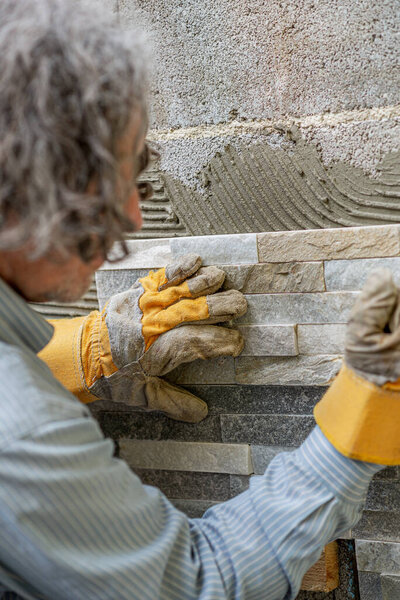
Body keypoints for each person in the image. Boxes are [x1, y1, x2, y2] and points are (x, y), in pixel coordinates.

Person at [0, 1, 399, 599]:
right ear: (22, 186)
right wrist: (351, 431)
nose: (134, 216)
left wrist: (87, 357)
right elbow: (199, 585)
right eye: (112, 179)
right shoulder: (22, 432)